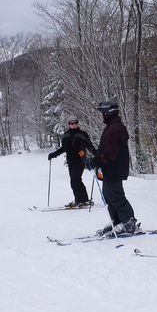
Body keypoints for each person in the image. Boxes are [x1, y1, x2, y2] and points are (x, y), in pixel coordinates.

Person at [92, 101, 139, 236]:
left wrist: (96, 161)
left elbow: (110, 153)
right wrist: (96, 159)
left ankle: (128, 222)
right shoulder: (113, 127)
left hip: (114, 169)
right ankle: (117, 220)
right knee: (109, 196)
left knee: (116, 196)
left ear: (108, 113)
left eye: (103, 113)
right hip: (111, 169)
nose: (102, 116)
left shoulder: (114, 129)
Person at [48, 116, 97, 208]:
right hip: (71, 161)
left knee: (74, 180)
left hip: (80, 160)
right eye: (71, 123)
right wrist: (53, 154)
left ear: (77, 123)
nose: (73, 125)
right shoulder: (66, 135)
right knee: (77, 180)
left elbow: (89, 145)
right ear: (68, 124)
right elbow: (63, 148)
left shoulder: (82, 134)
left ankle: (79, 200)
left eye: (75, 123)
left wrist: (96, 153)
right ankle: (84, 200)